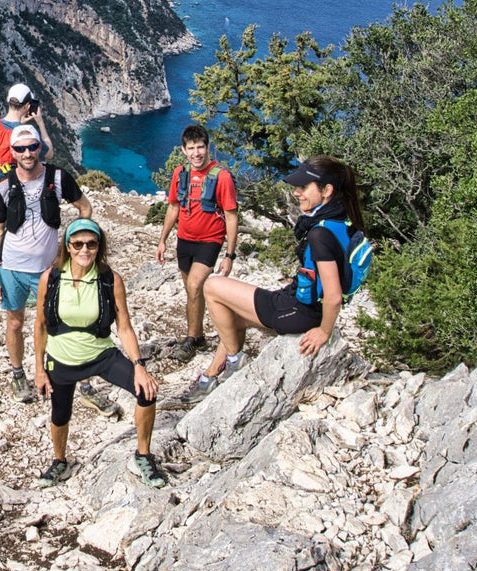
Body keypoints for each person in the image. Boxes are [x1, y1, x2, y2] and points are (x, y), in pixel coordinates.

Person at [181, 155, 365, 404]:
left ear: (327, 190)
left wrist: (324, 331)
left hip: (299, 312)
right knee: (231, 312)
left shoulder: (320, 234)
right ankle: (214, 372)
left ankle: (234, 361)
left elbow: (333, 296)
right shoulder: (343, 222)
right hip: (303, 304)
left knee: (212, 286)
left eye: (304, 187)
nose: (297, 192)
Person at [33, 219, 167, 488]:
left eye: (91, 244)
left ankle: (143, 455)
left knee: (146, 392)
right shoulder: (52, 278)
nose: (85, 250)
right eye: (78, 244)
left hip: (100, 354)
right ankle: (59, 460)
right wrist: (38, 368)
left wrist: (139, 366)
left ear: (99, 246)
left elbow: (124, 326)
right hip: (61, 358)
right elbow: (40, 324)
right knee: (60, 414)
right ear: (67, 247)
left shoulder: (109, 279)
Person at [0, 125, 92, 403]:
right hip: (12, 267)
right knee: (14, 323)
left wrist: (75, 243)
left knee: (63, 321)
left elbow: (85, 207)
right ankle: (18, 373)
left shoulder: (58, 177)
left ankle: (76, 375)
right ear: (12, 153)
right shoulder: (3, 186)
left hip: (49, 269)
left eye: (32, 147)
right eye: (20, 149)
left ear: (39, 148)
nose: (27, 153)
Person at [154, 124, 238, 362]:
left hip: (210, 240)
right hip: (185, 240)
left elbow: (231, 216)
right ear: (184, 150)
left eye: (200, 147)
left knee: (193, 286)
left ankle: (191, 340)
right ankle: (199, 335)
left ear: (208, 147)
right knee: (192, 291)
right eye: (191, 148)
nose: (197, 153)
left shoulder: (221, 177)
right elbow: (173, 207)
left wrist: (230, 255)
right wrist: (162, 241)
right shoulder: (180, 174)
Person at [0, 82, 51, 174]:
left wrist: (20, 123)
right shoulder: (28, 132)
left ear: (7, 100)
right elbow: (49, 153)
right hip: (18, 179)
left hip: (1, 179)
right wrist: (40, 122)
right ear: (27, 106)